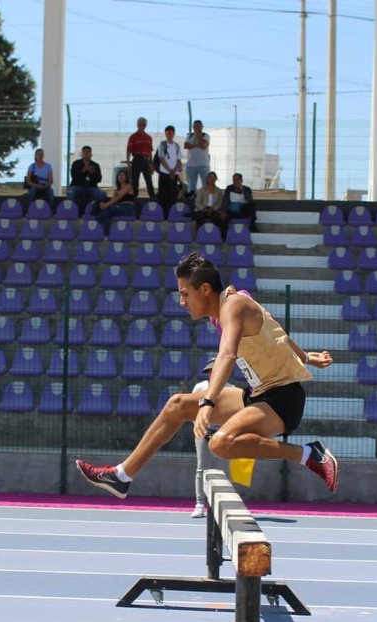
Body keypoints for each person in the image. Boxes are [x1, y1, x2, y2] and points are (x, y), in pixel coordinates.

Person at [75, 251, 339, 499]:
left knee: (221, 443)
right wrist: (306, 357)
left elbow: (227, 355)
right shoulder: (231, 304)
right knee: (177, 405)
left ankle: (309, 455)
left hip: (282, 401)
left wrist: (208, 401)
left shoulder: (233, 306)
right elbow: (274, 327)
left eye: (185, 294)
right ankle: (122, 476)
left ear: (204, 289)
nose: (182, 302)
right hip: (257, 394)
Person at [190, 355, 229, 518]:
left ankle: (221, 505)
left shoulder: (231, 388)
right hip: (202, 432)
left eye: (216, 370)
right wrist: (198, 425)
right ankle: (200, 504)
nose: (213, 373)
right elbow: (190, 408)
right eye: (210, 371)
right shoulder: (200, 388)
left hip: (222, 434)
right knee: (201, 467)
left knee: (220, 469)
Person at [96, 168, 136, 234]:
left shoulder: (128, 186)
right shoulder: (116, 190)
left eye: (123, 175)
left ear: (126, 177)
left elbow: (118, 197)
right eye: (119, 175)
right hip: (119, 207)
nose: (121, 176)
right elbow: (112, 200)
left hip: (128, 208)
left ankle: (97, 225)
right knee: (105, 211)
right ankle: (105, 232)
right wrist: (104, 205)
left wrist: (106, 205)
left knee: (106, 209)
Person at [68, 145, 105, 209]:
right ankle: (71, 211)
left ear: (91, 154)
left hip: (91, 187)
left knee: (102, 194)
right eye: (84, 152)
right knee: (71, 192)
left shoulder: (95, 165)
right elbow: (74, 176)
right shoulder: (76, 164)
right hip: (77, 186)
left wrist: (92, 174)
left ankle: (96, 210)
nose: (86, 154)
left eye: (88, 152)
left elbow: (99, 179)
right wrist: (84, 170)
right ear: (82, 154)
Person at [125, 117, 155, 198]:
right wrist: (128, 165)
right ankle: (134, 200)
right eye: (140, 124)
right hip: (137, 159)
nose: (142, 126)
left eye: (144, 124)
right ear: (137, 125)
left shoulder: (149, 138)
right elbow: (128, 151)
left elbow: (150, 152)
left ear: (146, 125)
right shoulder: (133, 137)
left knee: (149, 181)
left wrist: (151, 164)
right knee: (135, 182)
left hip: (146, 161)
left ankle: (153, 199)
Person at [155, 125, 183, 206]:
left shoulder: (177, 145)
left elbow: (178, 159)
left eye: (171, 132)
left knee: (173, 193)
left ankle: (171, 212)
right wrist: (170, 171)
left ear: (174, 133)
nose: (169, 134)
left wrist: (176, 169)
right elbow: (161, 159)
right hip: (164, 172)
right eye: (167, 133)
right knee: (163, 194)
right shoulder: (162, 145)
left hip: (174, 173)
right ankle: (163, 212)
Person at [183, 120, 211, 197]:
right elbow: (186, 146)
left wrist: (198, 136)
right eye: (195, 126)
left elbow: (203, 145)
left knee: (206, 184)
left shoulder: (206, 135)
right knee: (191, 185)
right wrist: (197, 144)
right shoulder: (189, 136)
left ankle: (206, 198)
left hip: (203, 164)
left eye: (198, 126)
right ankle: (193, 197)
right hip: (191, 164)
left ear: (202, 127)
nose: (196, 128)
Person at [193, 170, 225, 236]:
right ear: (207, 179)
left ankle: (215, 235)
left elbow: (220, 202)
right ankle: (200, 235)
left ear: (216, 179)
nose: (211, 179)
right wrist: (203, 209)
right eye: (210, 177)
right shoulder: (201, 190)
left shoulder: (219, 191)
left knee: (217, 218)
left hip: (213, 209)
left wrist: (213, 209)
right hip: (202, 209)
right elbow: (197, 202)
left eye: (213, 177)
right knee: (199, 217)